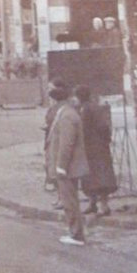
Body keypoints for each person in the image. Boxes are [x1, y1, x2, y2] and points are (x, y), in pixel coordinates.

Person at [45, 80, 89, 246]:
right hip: (67, 167)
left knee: (69, 202)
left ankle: (76, 234)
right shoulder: (65, 113)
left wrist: (61, 166)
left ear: (56, 101)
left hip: (67, 167)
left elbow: (66, 143)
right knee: (70, 201)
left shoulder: (67, 115)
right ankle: (75, 232)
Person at [76, 85, 116, 216]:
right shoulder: (93, 107)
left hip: (93, 147)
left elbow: (89, 128)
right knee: (94, 176)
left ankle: (102, 206)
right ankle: (94, 203)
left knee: (97, 177)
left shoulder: (86, 109)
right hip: (96, 146)